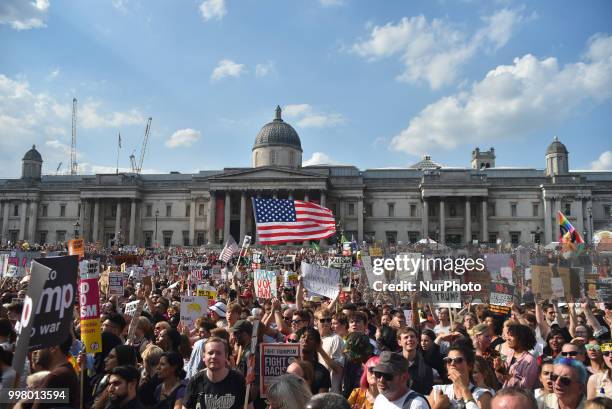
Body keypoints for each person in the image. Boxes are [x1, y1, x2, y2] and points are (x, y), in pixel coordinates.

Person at [182, 337, 246, 409]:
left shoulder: (238, 380)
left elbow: (248, 406)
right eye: (210, 353)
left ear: (226, 356)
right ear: (203, 356)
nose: (214, 356)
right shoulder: (195, 381)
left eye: (218, 353)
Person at [428, 343, 493, 409]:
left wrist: (464, 388)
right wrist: (438, 407)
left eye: (458, 360)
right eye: (448, 360)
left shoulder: (482, 394)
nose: (452, 364)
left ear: (470, 366)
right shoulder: (438, 390)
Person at [31, 335, 80, 409]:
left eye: (41, 345)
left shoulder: (55, 377)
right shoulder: (66, 371)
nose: (37, 351)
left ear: (53, 347)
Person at [500, 324, 539, 389]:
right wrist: (498, 368)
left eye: (512, 336)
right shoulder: (510, 353)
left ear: (521, 338)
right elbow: (503, 380)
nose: (508, 338)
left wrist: (510, 378)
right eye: (508, 335)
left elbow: (527, 386)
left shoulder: (530, 360)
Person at [398, 327, 434, 395]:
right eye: (406, 337)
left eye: (412, 336)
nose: (410, 339)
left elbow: (427, 393)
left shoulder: (426, 368)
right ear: (399, 342)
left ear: (417, 340)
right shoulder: (392, 363)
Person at [297, 326, 331, 394]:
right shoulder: (289, 367)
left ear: (317, 344)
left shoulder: (323, 372)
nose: (306, 339)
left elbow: (321, 401)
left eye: (310, 338)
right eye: (303, 337)